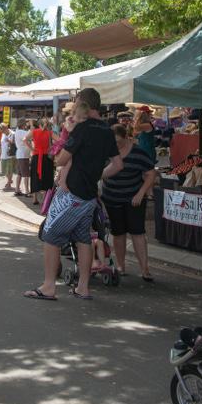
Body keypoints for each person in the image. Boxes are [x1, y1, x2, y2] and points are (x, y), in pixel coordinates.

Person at [24, 88, 121, 301]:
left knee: (50, 235)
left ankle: (49, 286)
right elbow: (117, 163)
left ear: (82, 104)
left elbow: (60, 159)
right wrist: (97, 175)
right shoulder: (106, 130)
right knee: (83, 238)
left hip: (72, 192)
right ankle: (83, 288)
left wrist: (66, 134)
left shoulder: (81, 128)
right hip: (89, 194)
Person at [101, 123, 159, 283]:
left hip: (134, 198)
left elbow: (151, 173)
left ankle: (145, 268)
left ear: (126, 138)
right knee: (118, 233)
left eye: (118, 141)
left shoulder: (138, 153)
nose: (116, 145)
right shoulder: (106, 151)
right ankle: (120, 266)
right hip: (112, 197)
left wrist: (141, 193)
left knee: (137, 232)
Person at [27, 117, 54, 205]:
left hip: (36, 156)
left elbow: (24, 140)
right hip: (47, 157)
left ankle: (35, 198)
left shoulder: (34, 131)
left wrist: (32, 149)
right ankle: (45, 199)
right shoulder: (50, 133)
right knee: (47, 177)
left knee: (35, 176)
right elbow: (60, 141)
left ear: (39, 124)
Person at [13, 118, 31, 197]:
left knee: (19, 173)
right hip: (24, 155)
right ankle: (27, 191)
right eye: (26, 123)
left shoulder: (17, 131)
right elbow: (31, 135)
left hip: (20, 154)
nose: (27, 125)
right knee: (26, 174)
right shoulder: (22, 132)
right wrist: (32, 126)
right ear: (23, 124)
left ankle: (17, 189)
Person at [0, 122, 16, 191]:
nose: (2, 132)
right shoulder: (3, 134)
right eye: (1, 131)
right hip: (3, 155)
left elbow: (15, 144)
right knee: (4, 170)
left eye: (2, 130)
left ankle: (9, 184)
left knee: (9, 170)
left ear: (6, 128)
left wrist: (9, 141)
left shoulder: (13, 134)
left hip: (10, 155)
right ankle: (9, 180)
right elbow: (2, 145)